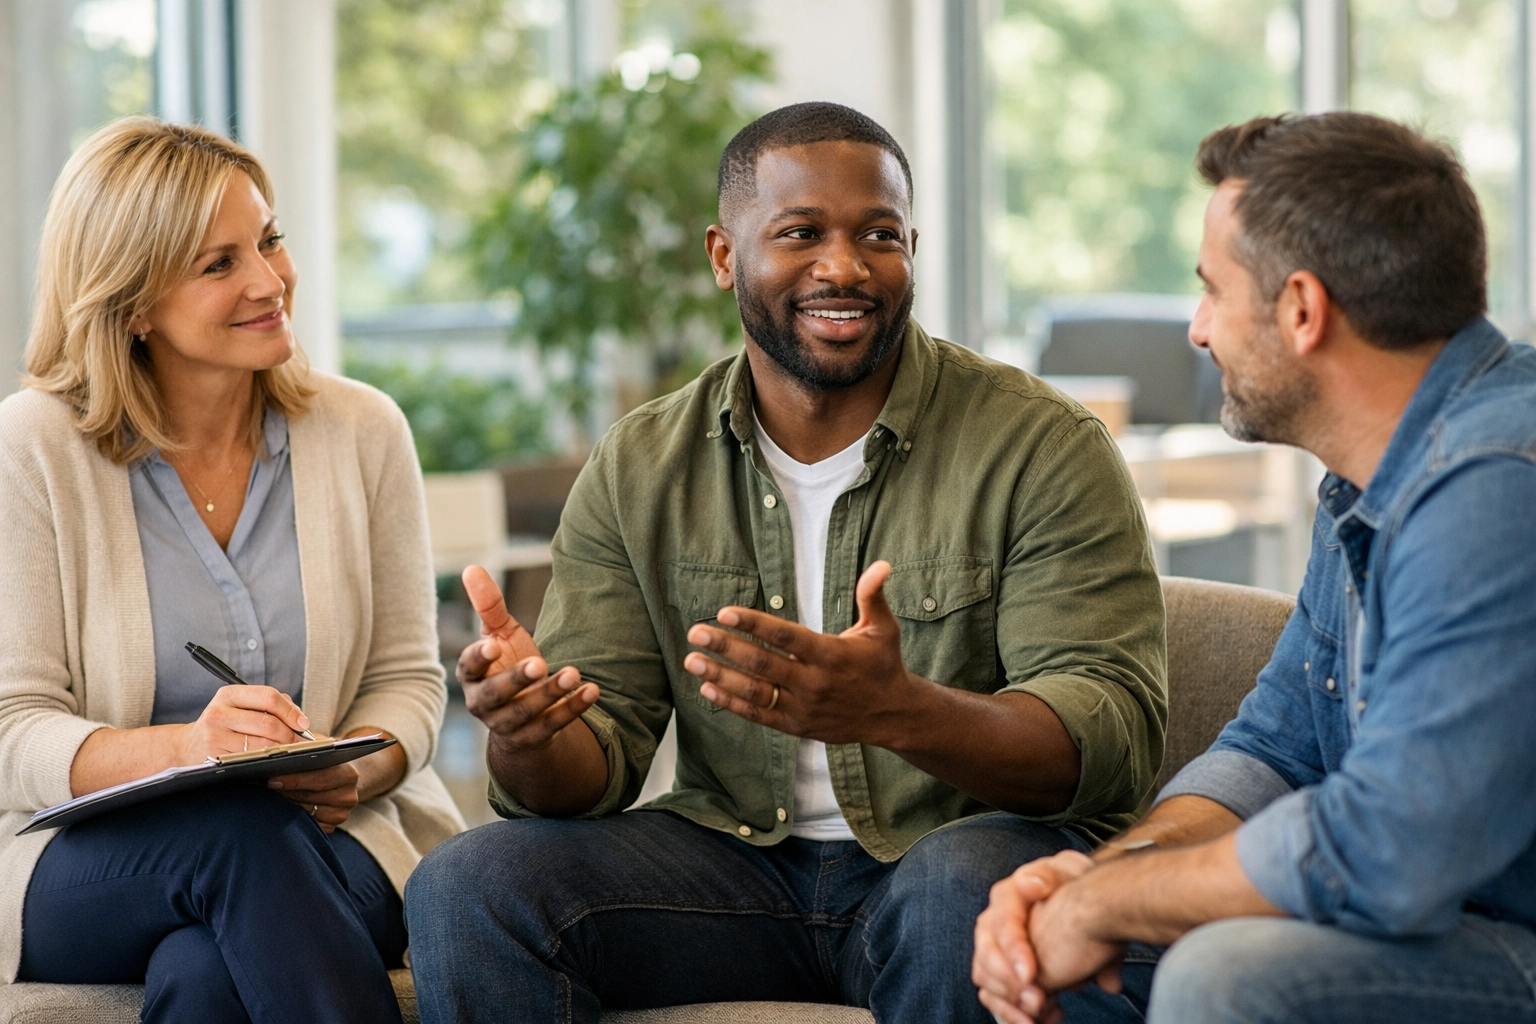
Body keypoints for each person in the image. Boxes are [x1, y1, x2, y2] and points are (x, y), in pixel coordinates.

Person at [405, 101, 1166, 1023]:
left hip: (951, 854)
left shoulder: (1041, 445)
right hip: (730, 870)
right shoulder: (642, 463)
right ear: (724, 256)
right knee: (471, 884)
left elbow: (1110, 744)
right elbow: (589, 768)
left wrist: (898, 711)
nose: (844, 267)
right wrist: (527, 733)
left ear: (912, 249)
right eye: (801, 233)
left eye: (878, 235)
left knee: (958, 891)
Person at [972, 111, 1536, 1024]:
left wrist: (1104, 905)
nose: (1198, 331)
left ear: (1302, 310)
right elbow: (1273, 752)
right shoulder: (1368, 481)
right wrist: (1096, 879)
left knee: (1228, 975)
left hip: (1505, 930)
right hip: (1443, 922)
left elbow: (1389, 845)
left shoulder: (1496, 484)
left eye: (1212, 291)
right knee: (1016, 929)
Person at [0, 117, 465, 1024]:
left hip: (337, 839)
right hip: (80, 860)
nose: (269, 280)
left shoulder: (364, 431)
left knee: (208, 973)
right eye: (220, 264)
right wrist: (190, 752)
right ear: (132, 302)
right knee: (237, 832)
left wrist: (359, 770)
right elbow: (12, 730)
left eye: (269, 239)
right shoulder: (30, 449)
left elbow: (408, 680)